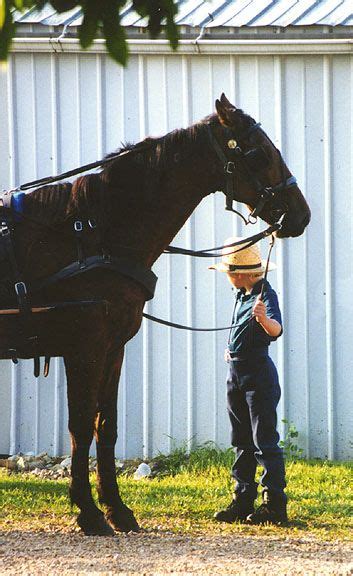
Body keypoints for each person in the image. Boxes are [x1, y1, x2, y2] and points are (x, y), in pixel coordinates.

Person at [209, 237, 288, 525]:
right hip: (237, 373)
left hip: (258, 375)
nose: (227, 276)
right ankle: (242, 500)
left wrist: (264, 319)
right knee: (241, 440)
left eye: (229, 272)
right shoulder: (241, 295)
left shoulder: (265, 293)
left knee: (263, 440)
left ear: (241, 273)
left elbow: (277, 330)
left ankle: (274, 505)